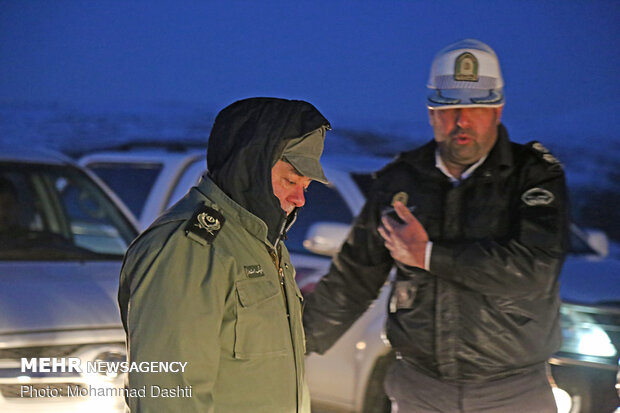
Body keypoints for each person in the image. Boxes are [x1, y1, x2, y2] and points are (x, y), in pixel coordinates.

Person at [303, 39, 568, 413]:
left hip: (512, 393)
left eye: (476, 107)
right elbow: (355, 276)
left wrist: (428, 255)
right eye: (449, 107)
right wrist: (295, 346)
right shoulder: (401, 180)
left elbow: (535, 270)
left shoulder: (534, 176)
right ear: (431, 112)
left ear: (498, 109)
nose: (462, 120)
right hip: (419, 391)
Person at [118, 97, 331, 413]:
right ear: (251, 166)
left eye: (306, 186)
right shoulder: (190, 248)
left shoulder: (263, 242)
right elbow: (167, 395)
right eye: (290, 180)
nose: (299, 199)